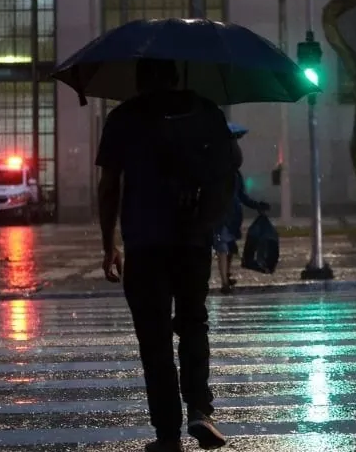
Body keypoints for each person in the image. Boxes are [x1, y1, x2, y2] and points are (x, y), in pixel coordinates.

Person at [96, 58, 238, 452]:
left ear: (139, 80)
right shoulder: (206, 111)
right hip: (192, 240)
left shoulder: (124, 117)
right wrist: (208, 222)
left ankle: (167, 435)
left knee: (154, 338)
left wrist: (109, 243)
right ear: (177, 76)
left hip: (144, 243)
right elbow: (228, 172)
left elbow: (109, 186)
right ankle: (200, 410)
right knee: (193, 322)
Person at [215, 124, 270, 295]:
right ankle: (224, 281)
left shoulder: (235, 174)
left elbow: (242, 196)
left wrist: (257, 205)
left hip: (232, 216)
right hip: (221, 215)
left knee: (229, 247)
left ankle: (227, 275)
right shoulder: (218, 173)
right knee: (222, 247)